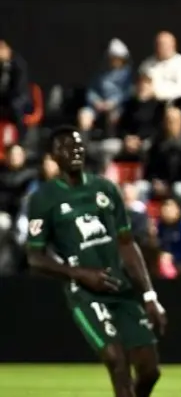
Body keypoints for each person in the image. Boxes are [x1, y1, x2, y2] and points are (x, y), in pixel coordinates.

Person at [26, 127, 167, 397]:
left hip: (120, 287)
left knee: (150, 371)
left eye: (78, 145)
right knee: (117, 361)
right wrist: (79, 273)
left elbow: (127, 243)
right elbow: (35, 257)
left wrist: (149, 295)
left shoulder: (105, 189)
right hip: (86, 293)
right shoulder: (44, 199)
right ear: (53, 156)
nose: (75, 150)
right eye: (66, 147)